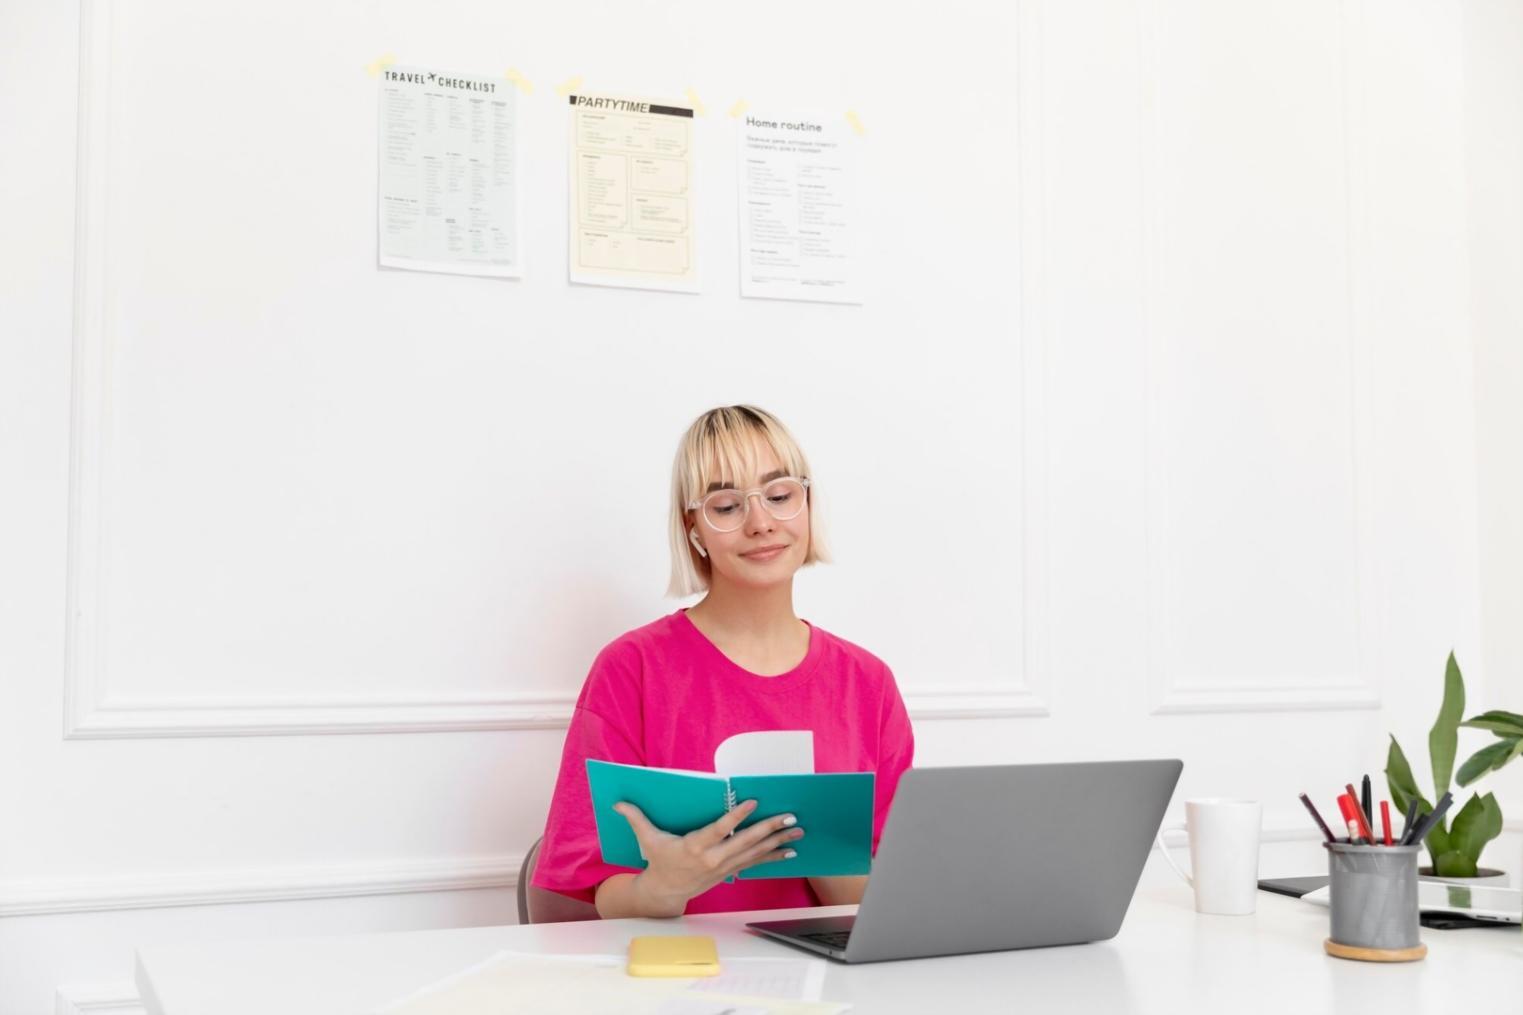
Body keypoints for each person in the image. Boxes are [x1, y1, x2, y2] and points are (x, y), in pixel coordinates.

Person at [531, 405, 915, 918]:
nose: (761, 523)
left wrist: (813, 838)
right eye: (727, 506)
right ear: (694, 529)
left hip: (826, 989)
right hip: (679, 985)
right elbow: (587, 893)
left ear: (806, 506)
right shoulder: (632, 670)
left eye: (779, 497)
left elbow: (886, 906)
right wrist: (662, 888)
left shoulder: (868, 683)